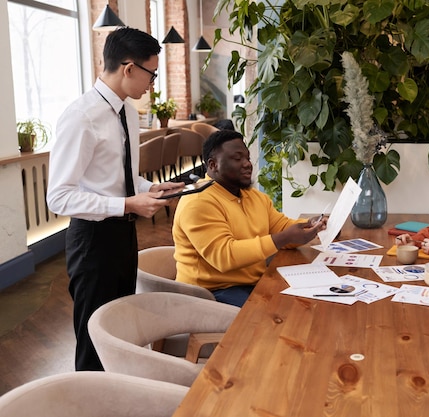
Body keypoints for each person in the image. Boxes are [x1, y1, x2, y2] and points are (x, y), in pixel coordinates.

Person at [47, 28, 182, 371]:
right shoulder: (81, 116)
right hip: (92, 241)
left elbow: (120, 176)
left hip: (124, 235)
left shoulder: (129, 113)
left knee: (119, 328)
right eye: (151, 73)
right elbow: (59, 197)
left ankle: (118, 397)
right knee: (94, 341)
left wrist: (148, 188)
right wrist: (126, 205)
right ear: (128, 68)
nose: (152, 83)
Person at [172, 129, 327, 307]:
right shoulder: (197, 201)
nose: (247, 164)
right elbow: (224, 256)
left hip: (250, 283)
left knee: (305, 302)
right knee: (278, 313)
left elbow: (281, 227)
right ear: (213, 165)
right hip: (210, 293)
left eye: (247, 158)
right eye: (237, 159)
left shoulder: (254, 197)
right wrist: (285, 237)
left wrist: (311, 226)